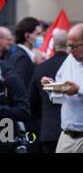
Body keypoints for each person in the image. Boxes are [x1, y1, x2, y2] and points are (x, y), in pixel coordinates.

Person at [41, 23, 83, 153]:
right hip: (66, 135)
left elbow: (76, 89)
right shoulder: (70, 60)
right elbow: (60, 95)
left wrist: (78, 90)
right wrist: (52, 86)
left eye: (74, 46)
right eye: (68, 46)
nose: (70, 51)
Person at [29, 29, 68, 153]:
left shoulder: (40, 68)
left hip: (48, 130)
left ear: (53, 45)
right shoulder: (74, 67)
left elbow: (32, 100)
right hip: (72, 132)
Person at [9, 17, 41, 89]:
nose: (40, 37)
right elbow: (23, 86)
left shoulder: (23, 55)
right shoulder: (21, 57)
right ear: (27, 36)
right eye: (38, 34)